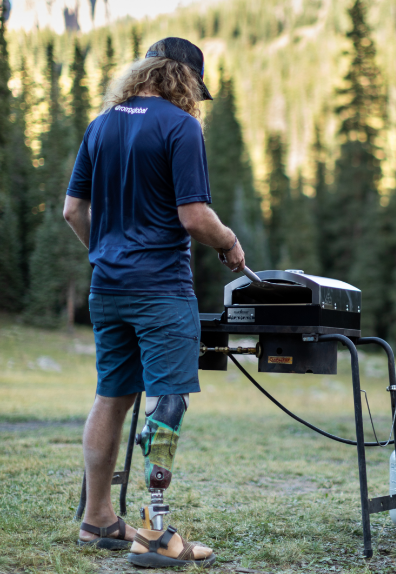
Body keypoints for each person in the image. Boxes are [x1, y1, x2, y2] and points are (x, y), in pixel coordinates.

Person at [63, 37, 245, 569]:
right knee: (169, 400)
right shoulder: (180, 125)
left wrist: (106, 252)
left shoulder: (101, 125)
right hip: (161, 290)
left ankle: (98, 520)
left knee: (111, 396)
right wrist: (230, 243)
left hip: (109, 288)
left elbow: (74, 211)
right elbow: (194, 217)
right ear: (184, 80)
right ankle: (155, 533)